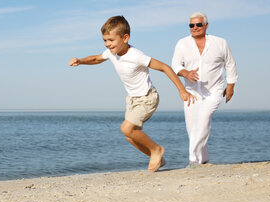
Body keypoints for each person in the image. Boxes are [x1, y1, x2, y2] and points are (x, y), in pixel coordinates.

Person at [69, 15, 196, 172]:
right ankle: (156, 157)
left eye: (111, 40)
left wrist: (181, 90)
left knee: (126, 128)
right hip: (133, 100)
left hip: (147, 98)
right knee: (130, 136)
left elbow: (165, 67)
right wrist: (80, 61)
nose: (107, 44)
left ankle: (157, 150)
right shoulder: (111, 53)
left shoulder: (136, 55)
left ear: (125, 38)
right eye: (105, 40)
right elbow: (96, 58)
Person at [172, 11, 238, 166]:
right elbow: (175, 65)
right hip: (192, 92)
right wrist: (186, 73)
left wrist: (230, 86)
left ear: (206, 25)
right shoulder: (182, 43)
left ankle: (193, 160)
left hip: (214, 91)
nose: (195, 28)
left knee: (202, 121)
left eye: (198, 24)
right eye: (191, 25)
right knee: (192, 128)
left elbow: (230, 64)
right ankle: (204, 159)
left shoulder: (220, 42)